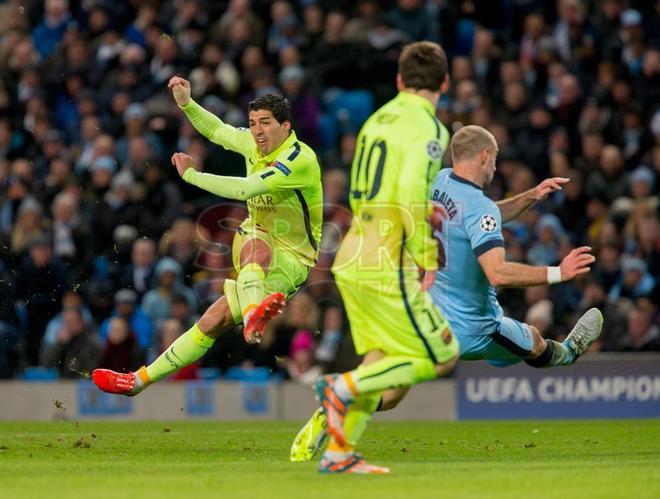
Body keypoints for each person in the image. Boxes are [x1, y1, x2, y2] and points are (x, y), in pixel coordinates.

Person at [291, 125, 604, 466]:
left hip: (429, 311)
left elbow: (481, 218)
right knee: (534, 341)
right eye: (495, 160)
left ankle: (337, 407)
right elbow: (497, 271)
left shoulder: (440, 182)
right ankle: (569, 352)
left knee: (392, 394)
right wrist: (559, 272)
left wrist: (529, 196)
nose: (495, 167)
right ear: (485, 156)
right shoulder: (479, 207)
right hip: (476, 328)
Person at [91, 76, 322, 397]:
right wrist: (186, 102)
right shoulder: (252, 143)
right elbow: (216, 130)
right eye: (253, 123)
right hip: (259, 234)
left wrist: (192, 176)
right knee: (253, 238)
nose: (257, 131)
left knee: (213, 320)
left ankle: (252, 312)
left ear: (286, 127)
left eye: (265, 123)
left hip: (294, 258)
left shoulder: (300, 160)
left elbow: (246, 188)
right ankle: (137, 381)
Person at [305, 41, 457, 474]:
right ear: (444, 82)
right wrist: (427, 254)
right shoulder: (430, 128)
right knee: (441, 355)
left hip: (354, 250)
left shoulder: (375, 120)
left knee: (380, 358)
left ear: (398, 80)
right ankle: (341, 387)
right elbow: (411, 191)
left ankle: (339, 454)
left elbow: (363, 188)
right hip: (387, 259)